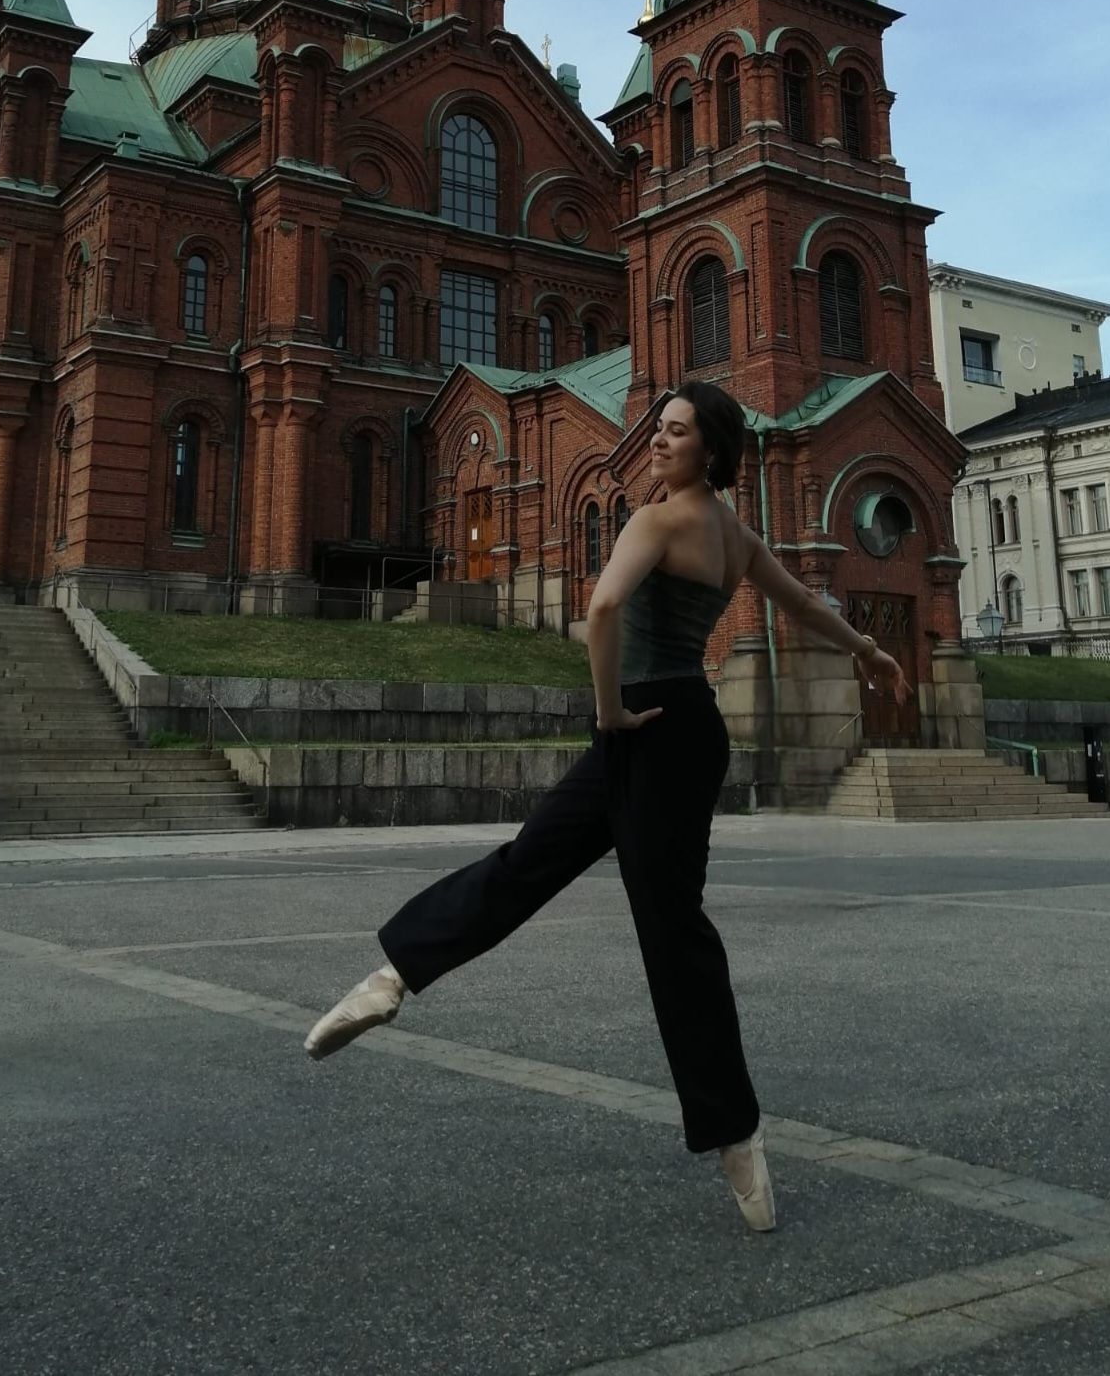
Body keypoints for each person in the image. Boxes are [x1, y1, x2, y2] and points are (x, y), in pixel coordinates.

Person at [303, 380, 908, 1233]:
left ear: (709, 451)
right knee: (553, 871)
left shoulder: (658, 521)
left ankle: (738, 1137)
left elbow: (602, 605)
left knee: (664, 930)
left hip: (646, 726)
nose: (657, 443)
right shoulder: (736, 536)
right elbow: (804, 603)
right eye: (657, 429)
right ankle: (390, 979)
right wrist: (871, 651)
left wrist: (607, 712)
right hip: (685, 730)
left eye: (676, 433)